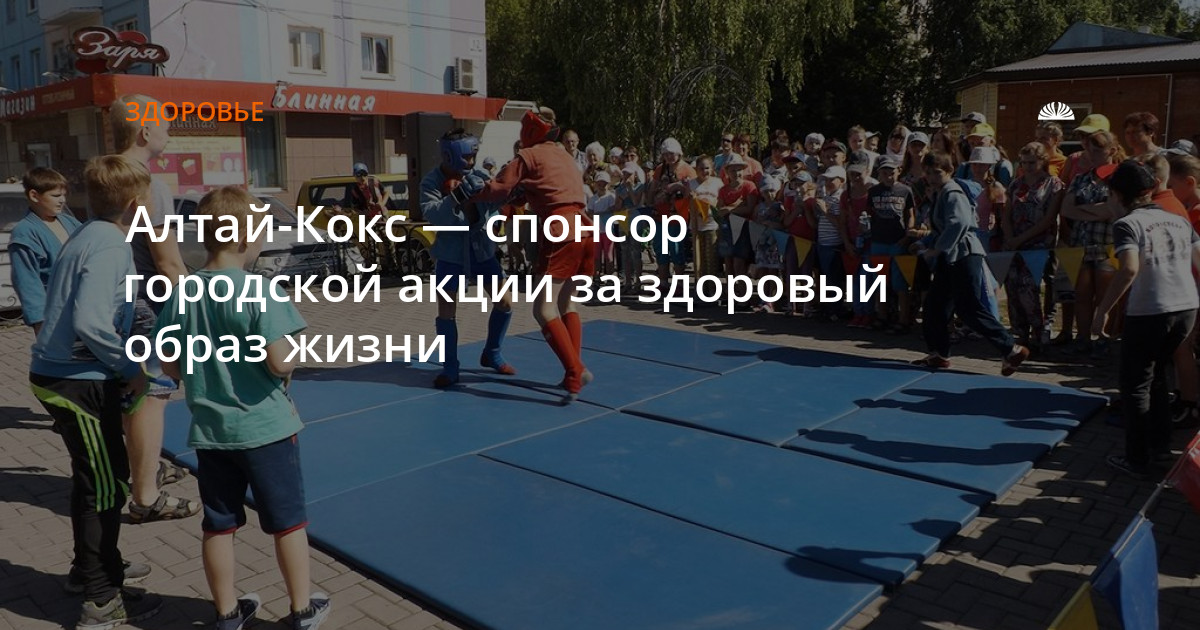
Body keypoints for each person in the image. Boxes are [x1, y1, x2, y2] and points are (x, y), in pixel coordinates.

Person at [154, 187, 331, 630]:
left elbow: (169, 365)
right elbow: (279, 362)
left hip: (211, 432)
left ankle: (227, 613)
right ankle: (301, 610)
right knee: (288, 523)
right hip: (267, 429)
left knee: (219, 524)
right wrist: (293, 354)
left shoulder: (182, 292)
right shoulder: (259, 290)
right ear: (243, 237)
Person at [30, 155, 160, 629]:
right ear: (134, 204)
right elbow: (90, 320)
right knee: (106, 487)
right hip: (75, 380)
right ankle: (101, 601)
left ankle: (90, 570)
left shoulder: (90, 233)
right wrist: (130, 367)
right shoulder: (109, 243)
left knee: (93, 481)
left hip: (67, 375)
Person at [110, 94, 200, 524]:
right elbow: (168, 262)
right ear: (145, 131)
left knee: (132, 397)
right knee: (153, 398)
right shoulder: (149, 185)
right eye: (164, 123)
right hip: (147, 308)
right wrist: (197, 310)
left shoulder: (105, 176)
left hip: (114, 305)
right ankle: (146, 497)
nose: (169, 131)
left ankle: (141, 473)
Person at [473, 108, 595, 403]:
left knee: (543, 309)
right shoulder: (563, 154)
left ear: (528, 132)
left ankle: (575, 371)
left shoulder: (527, 156)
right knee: (567, 302)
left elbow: (498, 188)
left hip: (561, 229)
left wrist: (471, 193)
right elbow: (546, 188)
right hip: (585, 228)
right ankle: (573, 369)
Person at [1092, 160, 1200, 479]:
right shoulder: (1177, 219)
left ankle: (1137, 458)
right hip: (1185, 306)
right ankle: (1160, 447)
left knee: (1136, 384)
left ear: (1117, 195)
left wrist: (1103, 309)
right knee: (1158, 378)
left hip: (1152, 308)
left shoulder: (1128, 223)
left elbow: (1128, 268)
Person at [910, 151, 1030, 374]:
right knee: (935, 306)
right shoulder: (940, 193)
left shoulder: (952, 192)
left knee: (969, 308)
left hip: (963, 256)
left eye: (937, 172)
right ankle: (939, 353)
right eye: (928, 173)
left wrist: (937, 249)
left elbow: (959, 223)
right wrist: (925, 243)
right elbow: (942, 227)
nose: (931, 177)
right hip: (951, 256)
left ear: (949, 171)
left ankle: (1010, 348)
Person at [421, 129, 516, 388]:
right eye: (466, 157)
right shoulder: (431, 181)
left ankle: (492, 352)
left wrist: (509, 190)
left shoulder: (478, 175)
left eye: (473, 156)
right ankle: (450, 366)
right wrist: (456, 197)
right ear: (449, 155)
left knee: (505, 302)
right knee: (446, 311)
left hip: (481, 248)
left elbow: (494, 204)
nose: (471, 162)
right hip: (450, 252)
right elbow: (432, 215)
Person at [1061, 130, 1125, 357]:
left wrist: (1082, 209)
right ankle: (1083, 337)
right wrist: (1094, 211)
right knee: (1082, 296)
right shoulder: (1081, 178)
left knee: (1106, 297)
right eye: (1089, 149)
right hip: (1082, 244)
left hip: (1108, 246)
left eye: (1097, 150)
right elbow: (1066, 209)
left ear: (1112, 150)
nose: (1091, 154)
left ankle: (1104, 338)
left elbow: (1112, 210)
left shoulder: (1120, 177)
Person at [1003, 142, 1064, 352]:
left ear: (1042, 161)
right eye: (1024, 162)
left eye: (1032, 162)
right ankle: (1020, 333)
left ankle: (1038, 331)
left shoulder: (1053, 184)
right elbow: (1007, 214)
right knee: (1012, 285)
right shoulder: (1016, 184)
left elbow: (1048, 219)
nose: (1027, 167)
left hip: (1038, 243)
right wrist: (1010, 238)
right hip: (1014, 243)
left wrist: (1021, 239)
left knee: (1028, 287)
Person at [10, 167, 82, 333]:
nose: (62, 200)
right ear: (34, 195)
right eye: (56, 196)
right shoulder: (25, 233)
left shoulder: (70, 222)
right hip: (55, 315)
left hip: (82, 309)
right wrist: (40, 322)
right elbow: (27, 282)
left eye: (64, 195)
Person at [867, 155, 915, 330]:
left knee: (899, 282)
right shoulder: (873, 191)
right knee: (879, 281)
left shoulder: (905, 190)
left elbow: (910, 214)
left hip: (898, 240)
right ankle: (882, 315)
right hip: (878, 240)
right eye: (884, 172)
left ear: (898, 171)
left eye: (891, 172)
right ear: (879, 173)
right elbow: (868, 214)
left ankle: (903, 318)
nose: (888, 176)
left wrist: (908, 235)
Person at [648, 137, 696, 284]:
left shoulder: (688, 170)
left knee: (676, 249)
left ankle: (679, 283)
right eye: (666, 154)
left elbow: (693, 192)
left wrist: (678, 186)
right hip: (659, 214)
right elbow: (653, 188)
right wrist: (650, 202)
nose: (669, 157)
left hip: (677, 215)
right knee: (660, 248)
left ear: (678, 153)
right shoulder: (660, 169)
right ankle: (663, 281)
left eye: (672, 153)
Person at [688, 155, 723, 278]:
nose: (704, 171)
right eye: (701, 168)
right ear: (696, 169)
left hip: (712, 225)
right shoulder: (691, 183)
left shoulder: (718, 183)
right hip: (696, 225)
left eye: (707, 168)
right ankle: (701, 286)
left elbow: (721, 202)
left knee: (711, 258)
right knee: (699, 258)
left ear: (712, 169)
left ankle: (712, 287)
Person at [586, 170, 619, 279]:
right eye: (599, 183)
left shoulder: (611, 197)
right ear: (596, 184)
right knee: (596, 255)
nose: (601, 186)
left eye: (604, 184)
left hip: (608, 230)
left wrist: (599, 213)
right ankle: (596, 277)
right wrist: (600, 213)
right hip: (596, 230)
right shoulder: (593, 198)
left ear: (608, 184)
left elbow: (613, 210)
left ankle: (609, 277)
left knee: (609, 255)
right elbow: (590, 213)